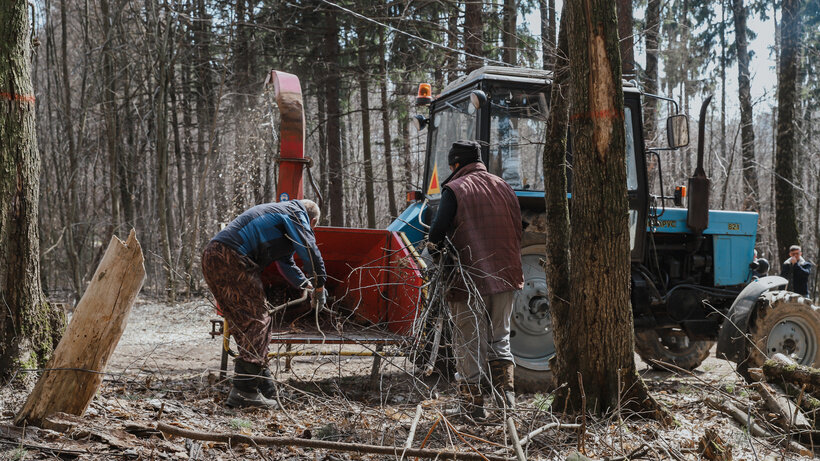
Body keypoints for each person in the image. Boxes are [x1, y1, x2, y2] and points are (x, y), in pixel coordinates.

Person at [428, 140, 524, 418]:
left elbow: (435, 237)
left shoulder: (455, 189)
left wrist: (442, 268)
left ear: (455, 164)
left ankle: (472, 408)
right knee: (500, 339)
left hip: (467, 279)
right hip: (506, 275)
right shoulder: (504, 186)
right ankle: (507, 405)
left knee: (469, 342)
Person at [202, 200, 327, 408]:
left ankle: (264, 387)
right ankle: (244, 392)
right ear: (312, 221)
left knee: (245, 325)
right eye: (312, 228)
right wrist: (321, 285)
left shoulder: (279, 214)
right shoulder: (296, 213)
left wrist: (308, 285)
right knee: (258, 321)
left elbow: (287, 263)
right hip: (233, 256)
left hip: (212, 255)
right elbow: (309, 249)